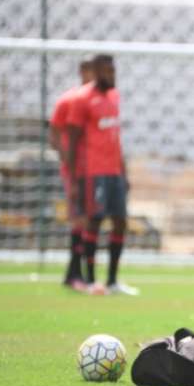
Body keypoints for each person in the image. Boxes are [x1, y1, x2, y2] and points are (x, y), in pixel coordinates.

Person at [67, 54, 138, 296]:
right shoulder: (82, 99)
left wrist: (124, 172)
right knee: (94, 221)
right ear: (96, 72)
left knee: (120, 221)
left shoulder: (114, 97)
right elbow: (72, 140)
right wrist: (74, 177)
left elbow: (116, 139)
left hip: (114, 171)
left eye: (113, 71)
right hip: (93, 172)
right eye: (107, 72)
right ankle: (90, 281)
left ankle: (112, 281)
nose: (112, 76)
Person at [49, 59, 94, 292]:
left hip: (95, 168)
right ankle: (77, 274)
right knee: (79, 219)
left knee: (88, 220)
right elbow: (54, 134)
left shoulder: (98, 101)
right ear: (82, 72)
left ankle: (75, 274)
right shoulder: (69, 100)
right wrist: (68, 162)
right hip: (76, 170)